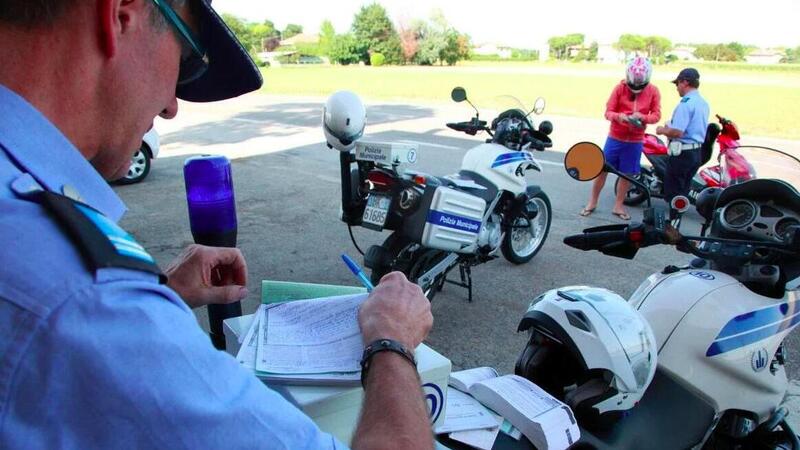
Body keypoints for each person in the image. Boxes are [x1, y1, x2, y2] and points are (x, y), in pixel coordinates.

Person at [0, 1, 434, 449]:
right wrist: (390, 338)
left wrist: (162, 292)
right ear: (120, 14)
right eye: (186, 60)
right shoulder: (83, 292)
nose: (171, 107)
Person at [580, 56, 661, 221]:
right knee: (602, 170)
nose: (635, 89)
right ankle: (592, 202)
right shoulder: (619, 89)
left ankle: (618, 205)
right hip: (615, 137)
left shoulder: (653, 91)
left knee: (627, 174)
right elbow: (608, 112)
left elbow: (657, 115)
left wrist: (643, 117)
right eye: (632, 86)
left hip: (636, 140)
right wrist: (620, 117)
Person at [656, 68, 710, 203]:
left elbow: (677, 131)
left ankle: (673, 223)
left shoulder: (686, 104)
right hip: (696, 151)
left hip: (682, 154)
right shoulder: (703, 103)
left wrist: (662, 130)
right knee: (683, 191)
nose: (677, 88)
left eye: (677, 84)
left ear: (685, 82)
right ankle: (676, 220)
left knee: (675, 194)